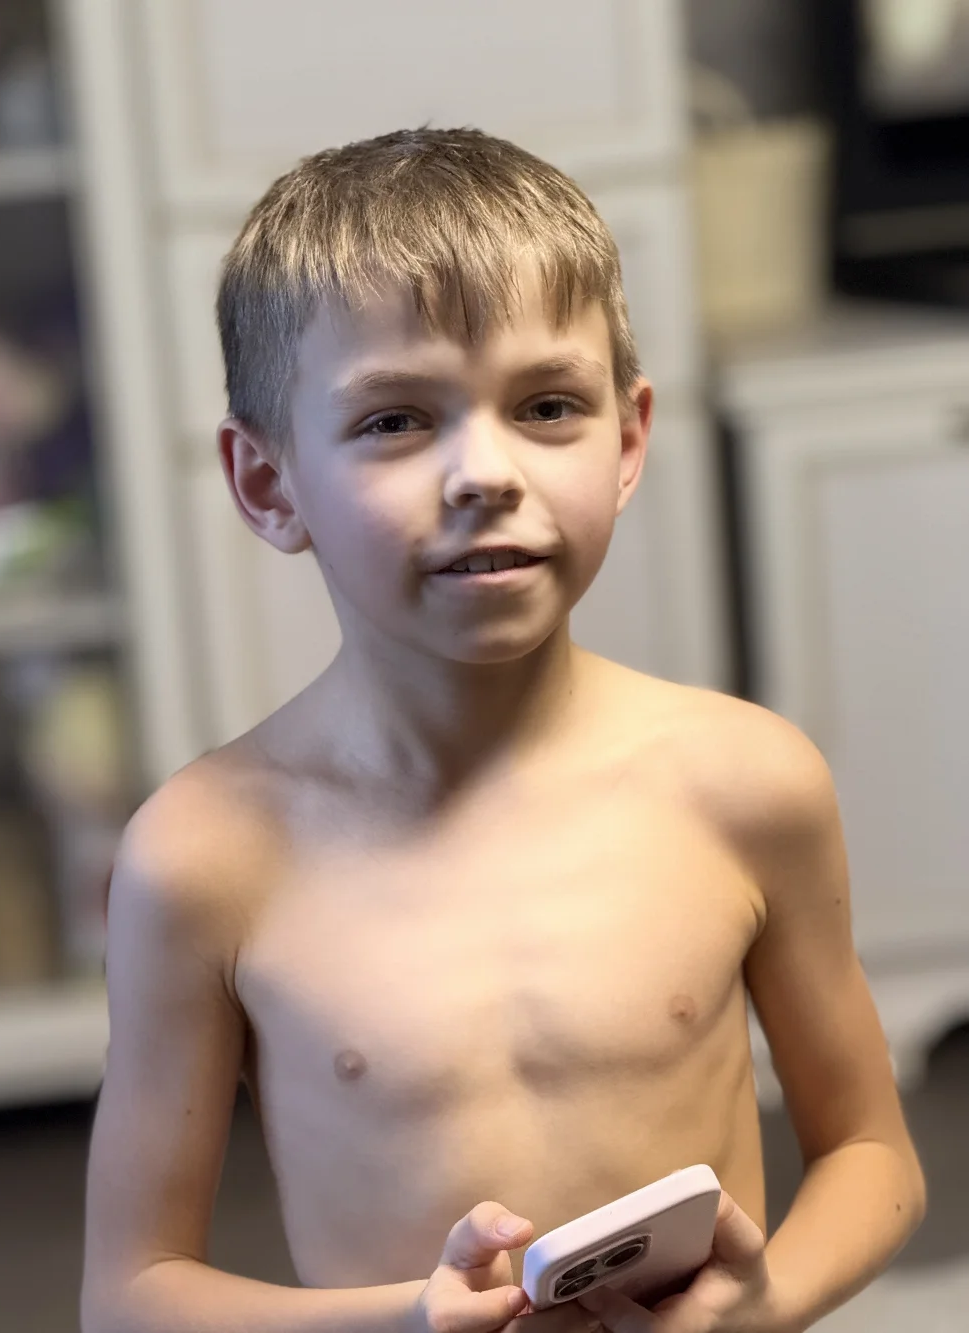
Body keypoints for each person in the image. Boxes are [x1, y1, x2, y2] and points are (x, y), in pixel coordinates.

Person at [81, 127, 925, 1333]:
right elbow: (129, 1294)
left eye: (546, 406)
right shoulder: (203, 856)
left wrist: (765, 1300)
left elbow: (874, 1156)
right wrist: (408, 1323)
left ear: (625, 439)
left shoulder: (746, 783)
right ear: (268, 483)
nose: (484, 471)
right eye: (394, 421)